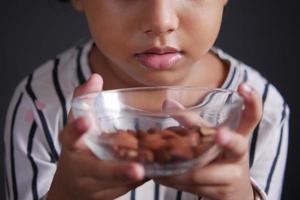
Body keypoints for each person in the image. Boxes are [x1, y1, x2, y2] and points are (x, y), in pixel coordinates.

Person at [3, 0, 289, 200]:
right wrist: (64, 195)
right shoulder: (39, 105)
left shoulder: (263, 110)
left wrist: (239, 196)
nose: (161, 21)